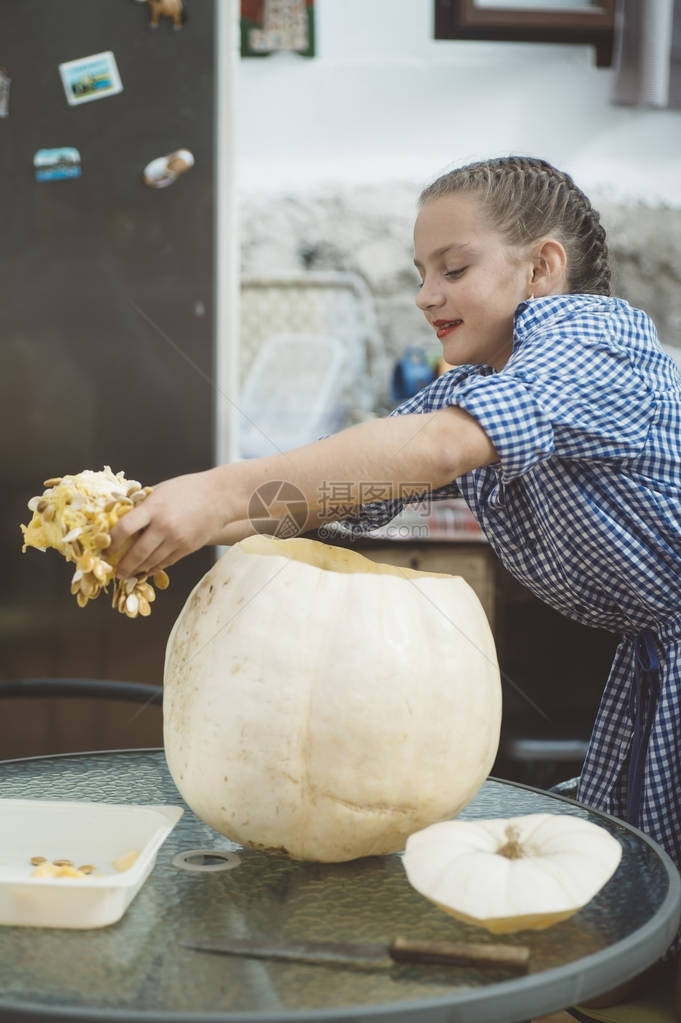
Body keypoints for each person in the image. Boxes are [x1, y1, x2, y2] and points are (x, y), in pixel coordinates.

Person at [111, 155, 681, 1002]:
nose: (426, 293)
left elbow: (441, 448)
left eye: (453, 268)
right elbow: (338, 490)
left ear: (542, 267)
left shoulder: (591, 341)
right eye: (420, 274)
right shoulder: (485, 378)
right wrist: (170, 519)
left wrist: (220, 491)